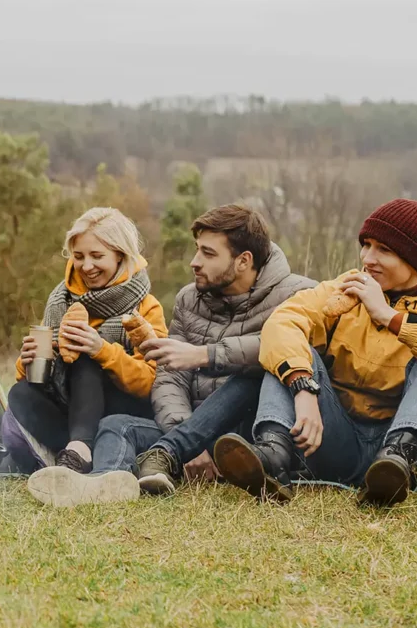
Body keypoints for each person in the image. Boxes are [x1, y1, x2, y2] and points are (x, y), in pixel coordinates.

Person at [27, 204, 313, 506]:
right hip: (186, 428)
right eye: (196, 250)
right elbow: (169, 376)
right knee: (114, 424)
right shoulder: (190, 298)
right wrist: (187, 435)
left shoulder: (297, 295)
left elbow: (291, 351)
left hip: (248, 434)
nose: (194, 262)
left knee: (256, 370)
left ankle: (180, 454)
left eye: (208, 253)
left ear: (243, 261)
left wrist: (204, 355)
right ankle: (104, 483)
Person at [215, 199, 417, 506]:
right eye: (366, 245)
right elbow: (282, 322)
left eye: (384, 249)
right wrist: (302, 386)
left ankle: (397, 458)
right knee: (290, 353)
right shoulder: (345, 288)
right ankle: (273, 455)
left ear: (415, 260)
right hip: (341, 442)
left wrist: (389, 317)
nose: (367, 258)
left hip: (414, 456)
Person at [10, 207, 168, 480]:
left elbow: (152, 382)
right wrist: (27, 363)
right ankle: (74, 453)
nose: (86, 266)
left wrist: (102, 351)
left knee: (85, 359)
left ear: (120, 255)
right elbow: (42, 382)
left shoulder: (145, 306)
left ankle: (80, 450)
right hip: (73, 408)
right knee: (20, 394)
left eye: (97, 256)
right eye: (79, 256)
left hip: (122, 408)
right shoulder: (60, 300)